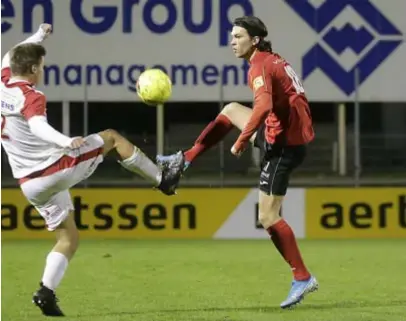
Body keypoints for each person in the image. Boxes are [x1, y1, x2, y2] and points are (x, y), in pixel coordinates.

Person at [1, 24, 184, 317]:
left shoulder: (3, 79)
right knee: (111, 137)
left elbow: (11, 53)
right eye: (42, 66)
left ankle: (45, 292)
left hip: (29, 184)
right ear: (34, 68)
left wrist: (39, 35)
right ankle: (164, 179)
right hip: (53, 169)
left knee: (68, 238)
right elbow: (37, 126)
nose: (43, 71)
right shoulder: (31, 96)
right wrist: (65, 141)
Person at [157, 16, 318, 309]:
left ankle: (302, 276)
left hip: (283, 146)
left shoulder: (259, 65)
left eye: (239, 36)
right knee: (231, 109)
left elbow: (264, 105)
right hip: (285, 137)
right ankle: (185, 160)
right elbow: (275, 103)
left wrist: (242, 140)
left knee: (268, 217)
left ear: (254, 40)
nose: (233, 42)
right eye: (232, 36)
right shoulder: (270, 59)